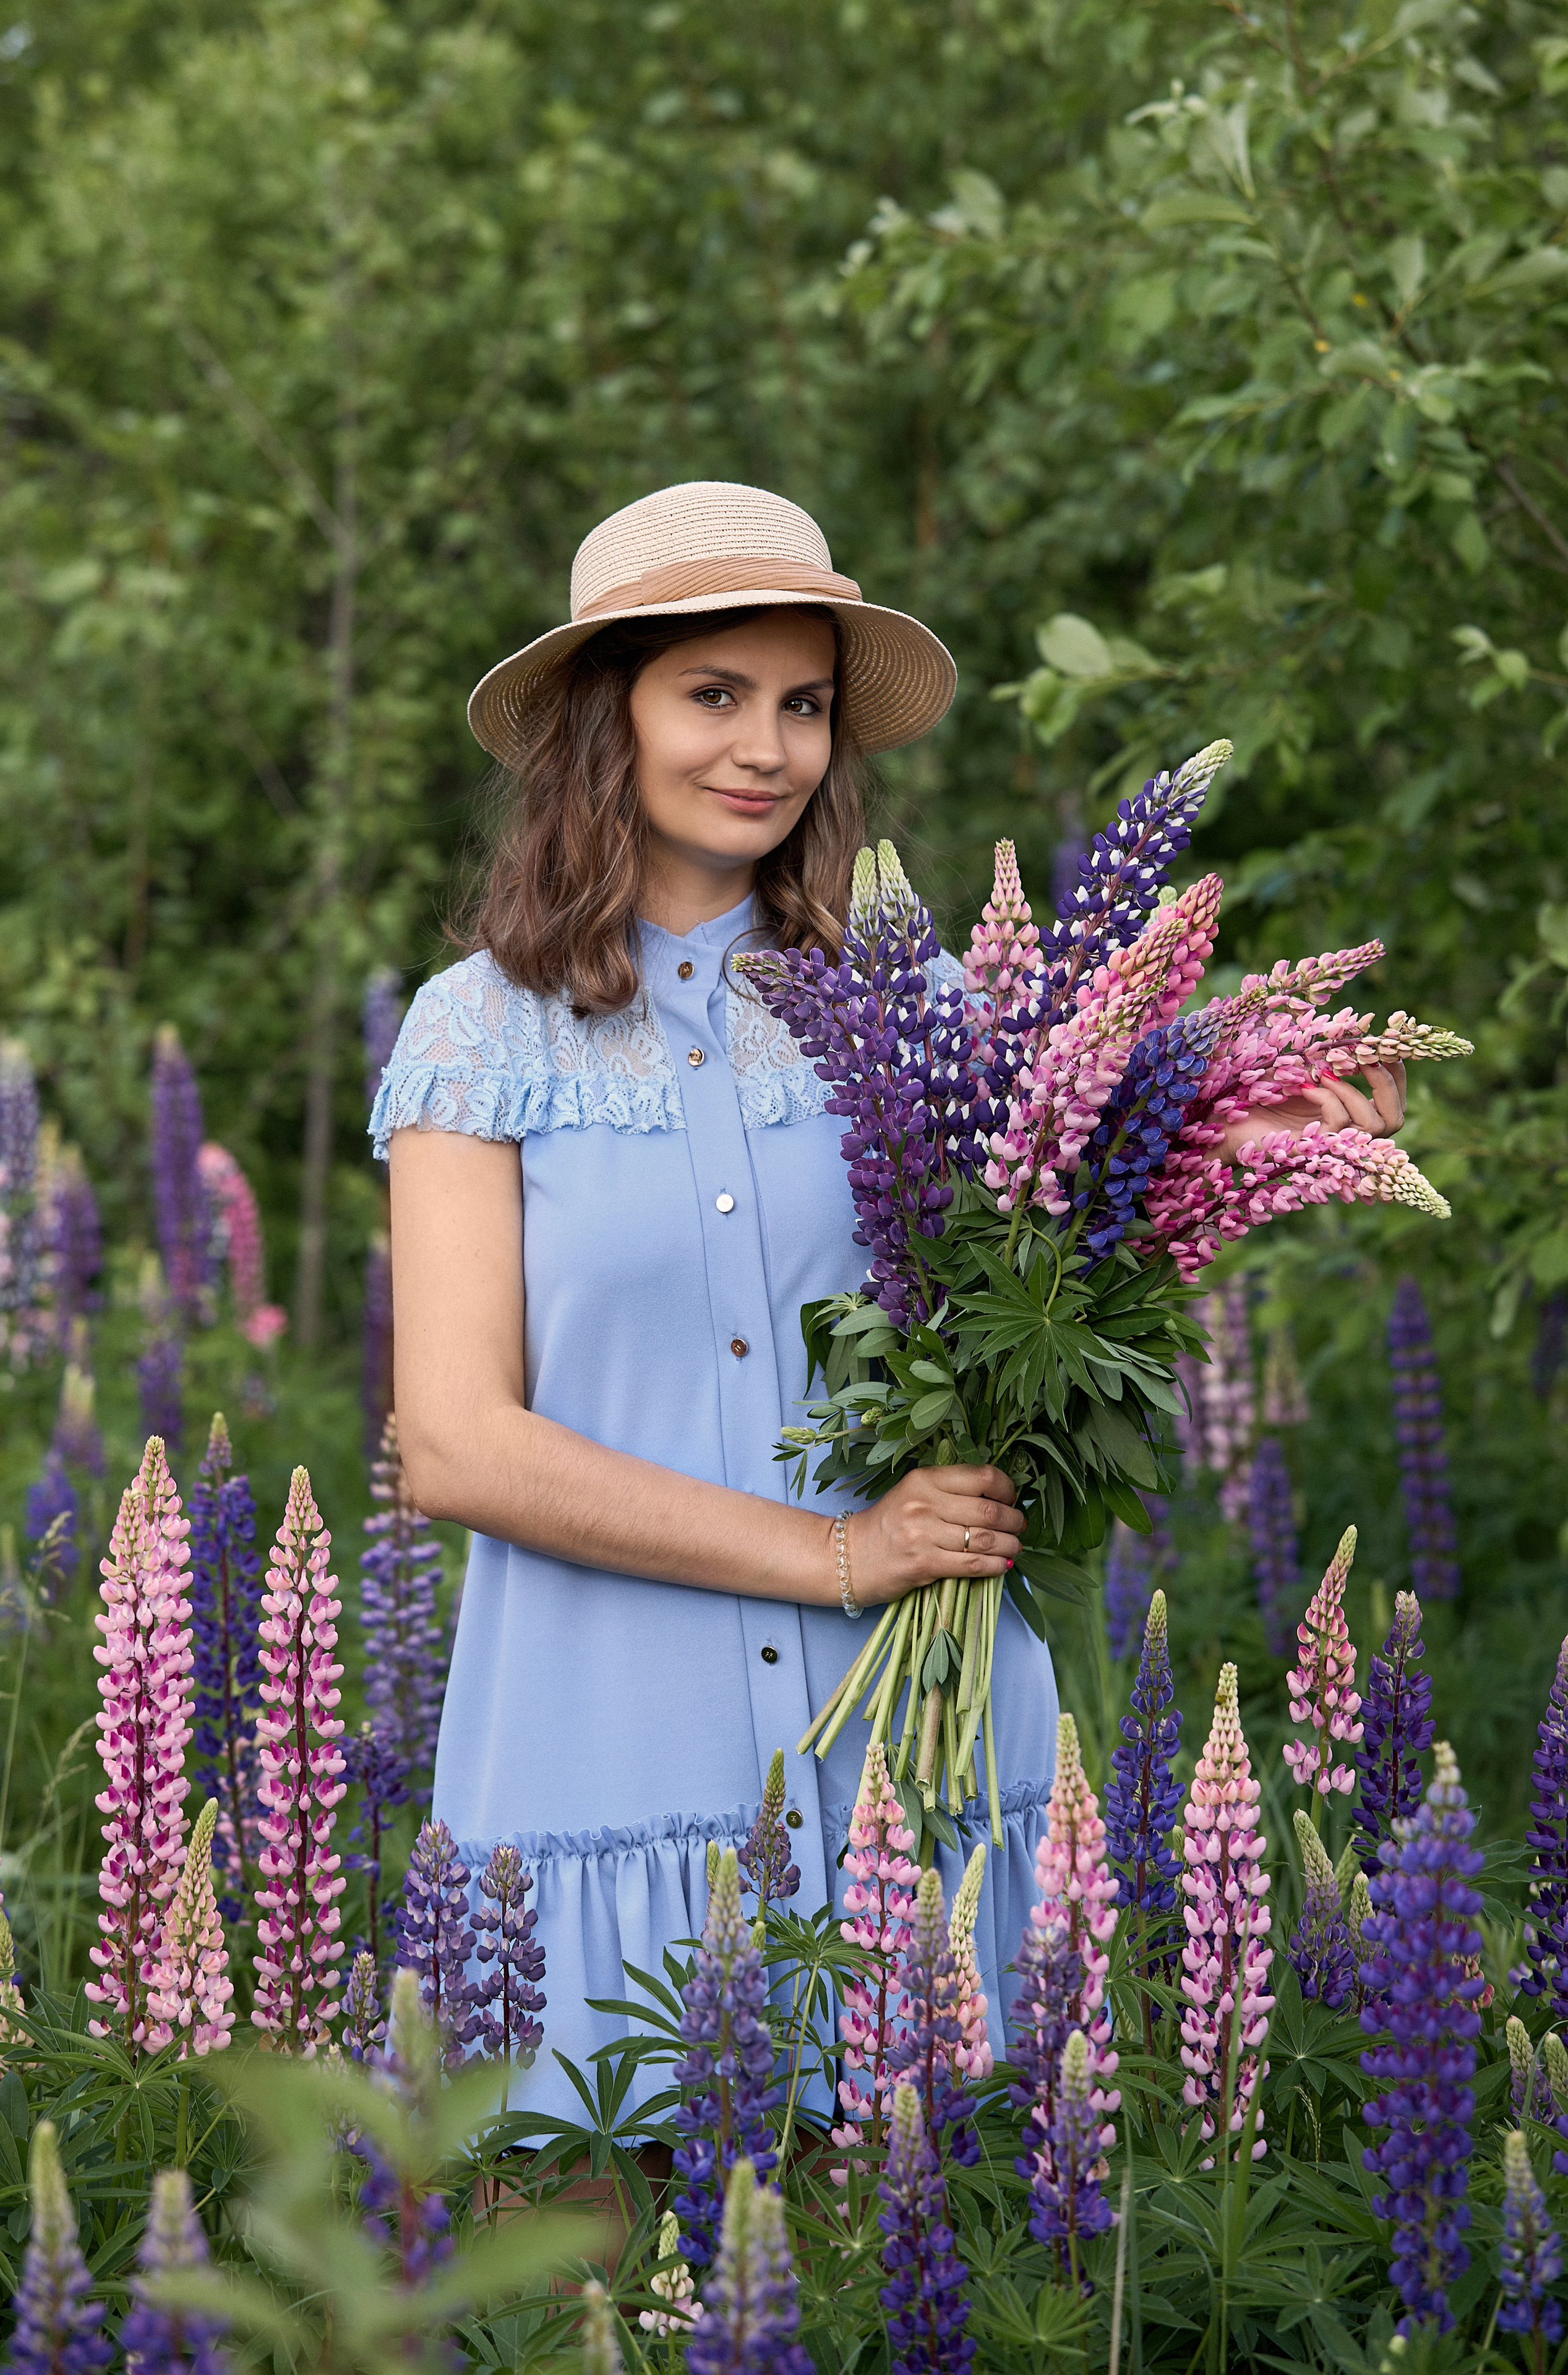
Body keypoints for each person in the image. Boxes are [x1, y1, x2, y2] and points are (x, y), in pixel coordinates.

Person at [373, 480, 1408, 2124]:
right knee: (565, 2295)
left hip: (915, 1764)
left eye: (801, 705)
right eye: (713, 694)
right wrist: (839, 1554)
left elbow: (1083, 1234)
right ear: (606, 714)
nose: (766, 746)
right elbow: (453, 1444)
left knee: (908, 2270)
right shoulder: (479, 1028)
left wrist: (1260, 1119)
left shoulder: (920, 1003)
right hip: (599, 1764)